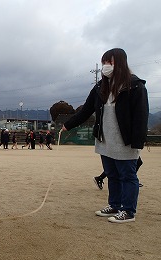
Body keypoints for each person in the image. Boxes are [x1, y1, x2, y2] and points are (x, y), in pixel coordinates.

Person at [62, 48, 148, 223]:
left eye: (109, 62)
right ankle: (114, 205)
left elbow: (141, 115)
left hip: (125, 141)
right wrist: (68, 124)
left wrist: (137, 142)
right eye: (104, 63)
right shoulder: (100, 86)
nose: (105, 66)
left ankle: (128, 211)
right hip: (105, 139)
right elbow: (86, 110)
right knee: (112, 174)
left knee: (128, 176)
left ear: (120, 62)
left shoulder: (135, 85)